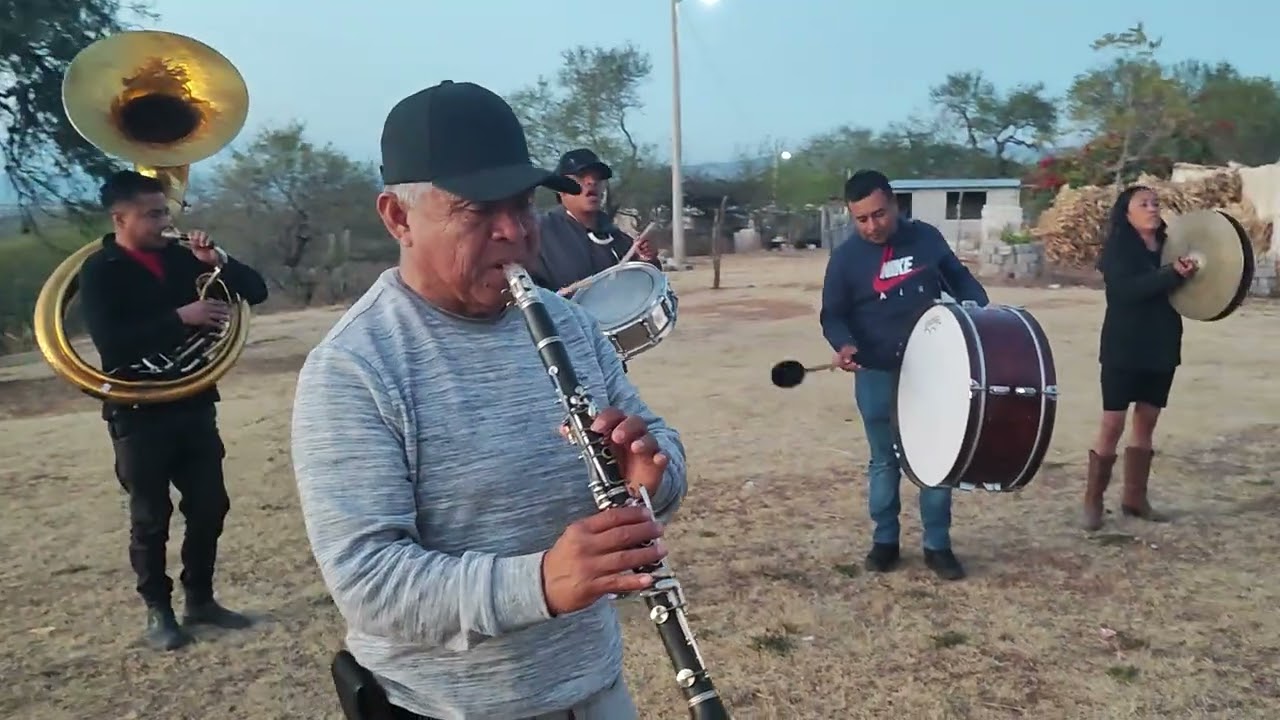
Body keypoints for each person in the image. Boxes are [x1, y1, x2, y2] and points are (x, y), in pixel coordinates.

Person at [291, 80, 688, 720]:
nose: (514, 231)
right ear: (398, 217)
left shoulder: (569, 322)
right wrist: (539, 584)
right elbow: (368, 581)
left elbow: (660, 451)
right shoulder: (354, 367)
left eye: (522, 205)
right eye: (477, 211)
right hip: (453, 707)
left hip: (596, 689)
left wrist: (649, 476)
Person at [78, 169, 269, 651]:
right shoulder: (101, 270)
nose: (165, 221)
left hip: (193, 400)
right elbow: (112, 344)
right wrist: (180, 319)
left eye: (166, 211)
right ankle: (158, 612)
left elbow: (257, 291)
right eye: (153, 214)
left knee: (210, 506)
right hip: (137, 409)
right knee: (150, 516)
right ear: (120, 218)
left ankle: (200, 599)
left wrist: (216, 260)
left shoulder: (185, 258)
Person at [818, 169, 989, 581]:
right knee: (884, 460)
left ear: (895, 204)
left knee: (938, 456)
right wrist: (844, 346)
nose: (872, 226)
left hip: (934, 371)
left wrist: (974, 305)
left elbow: (962, 280)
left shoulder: (926, 238)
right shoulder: (845, 259)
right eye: (862, 219)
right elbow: (833, 315)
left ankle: (938, 545)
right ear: (851, 216)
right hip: (876, 373)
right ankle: (885, 542)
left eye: (879, 214)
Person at [1082, 185, 1197, 531]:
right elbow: (1126, 292)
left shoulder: (1171, 248)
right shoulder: (1118, 250)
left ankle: (1135, 498)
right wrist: (1171, 274)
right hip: (1124, 344)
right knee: (1112, 424)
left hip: (1162, 342)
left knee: (1146, 422)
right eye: (1143, 204)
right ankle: (1093, 501)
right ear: (1126, 213)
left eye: (1155, 203)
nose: (1152, 208)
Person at [530, 147, 660, 294]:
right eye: (581, 177)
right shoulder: (538, 234)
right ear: (561, 188)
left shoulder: (616, 238)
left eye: (598, 178)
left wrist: (647, 260)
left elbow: (642, 290)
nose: (592, 182)